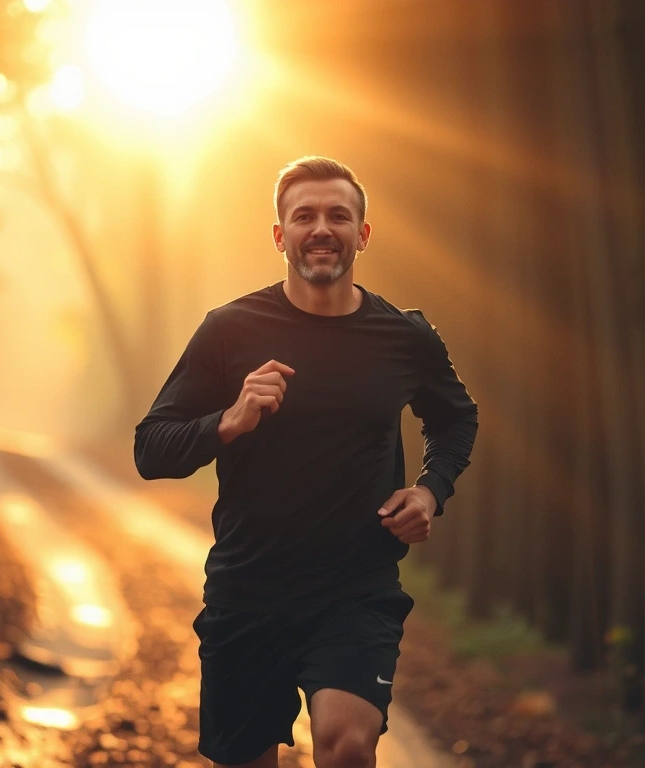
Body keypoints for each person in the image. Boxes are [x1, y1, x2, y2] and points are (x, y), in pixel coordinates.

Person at [134, 156, 479, 768]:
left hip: (355, 591)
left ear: (362, 234)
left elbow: (455, 418)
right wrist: (229, 420)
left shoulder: (404, 336)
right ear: (280, 235)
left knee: (347, 747)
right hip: (247, 592)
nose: (322, 227)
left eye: (338, 215)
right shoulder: (230, 329)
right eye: (305, 216)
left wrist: (430, 490)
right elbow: (151, 447)